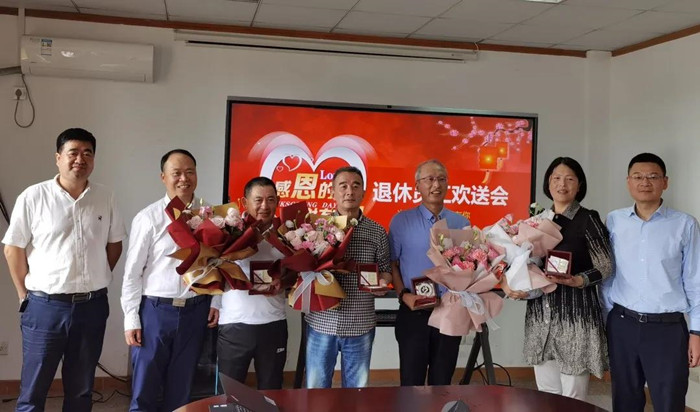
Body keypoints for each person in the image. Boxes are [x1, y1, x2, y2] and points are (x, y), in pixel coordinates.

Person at [3, 128, 126, 412]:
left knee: (82, 389)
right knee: (34, 389)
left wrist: (96, 275)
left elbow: (115, 245)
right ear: (58, 158)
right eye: (73, 153)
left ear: (93, 159)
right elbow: (13, 249)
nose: (80, 159)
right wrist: (23, 294)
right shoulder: (34, 196)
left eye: (87, 153)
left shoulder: (105, 196)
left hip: (92, 306)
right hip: (44, 307)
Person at [503, 157, 612, 401]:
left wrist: (579, 280)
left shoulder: (588, 219)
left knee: (573, 397)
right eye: (556, 178)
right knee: (547, 395)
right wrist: (514, 283)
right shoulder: (537, 220)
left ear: (579, 185)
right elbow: (526, 264)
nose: (562, 184)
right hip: (541, 316)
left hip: (575, 316)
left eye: (569, 179)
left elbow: (605, 265)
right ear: (548, 183)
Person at [121, 149, 220, 412]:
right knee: (145, 388)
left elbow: (218, 263)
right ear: (163, 177)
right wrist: (131, 318)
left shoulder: (211, 216)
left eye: (190, 172)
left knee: (183, 388)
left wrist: (216, 301)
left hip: (195, 311)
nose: (184, 179)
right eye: (176, 173)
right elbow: (132, 273)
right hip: (155, 311)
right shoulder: (149, 217)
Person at [600, 153, 700, 412]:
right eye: (638, 176)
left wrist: (696, 332)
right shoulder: (614, 220)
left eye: (653, 177)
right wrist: (606, 320)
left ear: (665, 182)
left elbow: (695, 280)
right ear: (628, 182)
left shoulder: (685, 224)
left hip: (667, 329)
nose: (645, 182)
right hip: (622, 324)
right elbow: (608, 274)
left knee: (669, 402)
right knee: (625, 400)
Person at [304, 166, 392, 388]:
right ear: (332, 192)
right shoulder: (317, 228)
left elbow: (385, 268)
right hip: (322, 321)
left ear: (364, 192)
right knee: (316, 391)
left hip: (360, 322)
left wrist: (383, 282)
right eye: (343, 186)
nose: (349, 191)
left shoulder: (377, 231)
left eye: (355, 186)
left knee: (356, 392)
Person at [389, 159, 469, 386]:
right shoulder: (401, 221)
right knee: (411, 383)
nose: (436, 185)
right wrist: (403, 295)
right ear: (417, 185)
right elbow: (392, 264)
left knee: (442, 382)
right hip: (414, 310)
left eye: (441, 179)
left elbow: (469, 266)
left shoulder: (461, 222)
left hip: (449, 310)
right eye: (430, 179)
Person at [217, 177, 288, 390]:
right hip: (234, 324)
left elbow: (296, 273)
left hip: (273, 323)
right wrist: (214, 304)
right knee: (229, 393)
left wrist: (282, 282)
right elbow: (214, 271)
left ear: (278, 202)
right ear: (244, 202)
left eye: (271, 199)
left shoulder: (288, 235)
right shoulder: (228, 232)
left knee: (272, 391)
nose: (264, 206)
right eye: (258, 200)